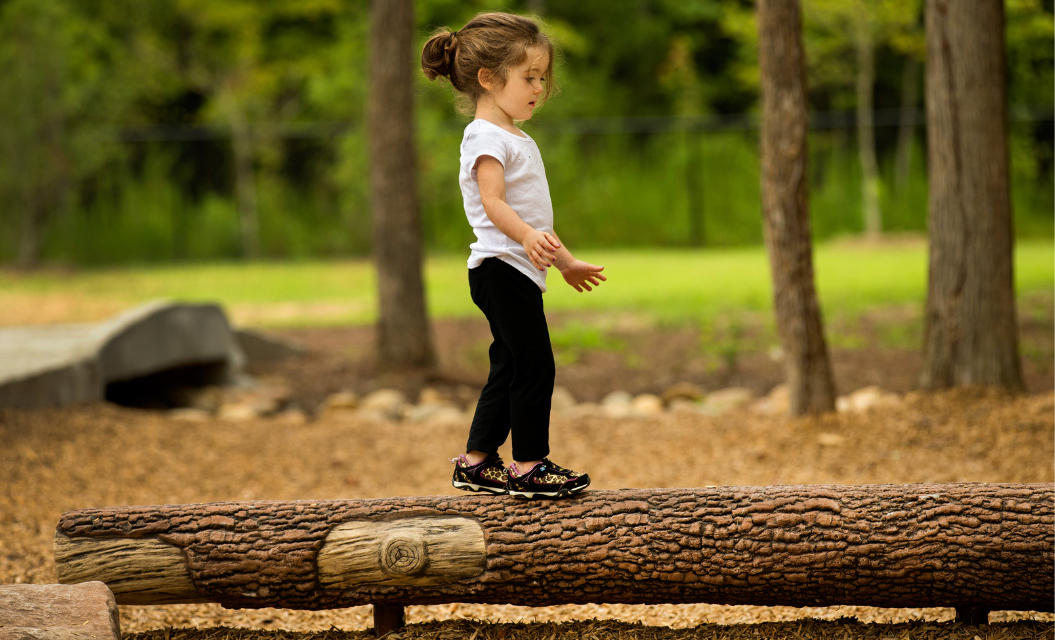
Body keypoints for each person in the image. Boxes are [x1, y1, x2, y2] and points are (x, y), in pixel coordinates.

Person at [421, 12, 606, 499]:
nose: (539, 87)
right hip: (501, 268)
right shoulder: (486, 136)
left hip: (512, 269)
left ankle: (477, 461)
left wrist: (565, 263)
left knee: (508, 365)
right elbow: (493, 202)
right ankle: (529, 465)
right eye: (528, 77)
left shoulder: (514, 136)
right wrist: (524, 237)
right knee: (534, 365)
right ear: (488, 78)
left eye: (542, 78)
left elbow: (535, 224)